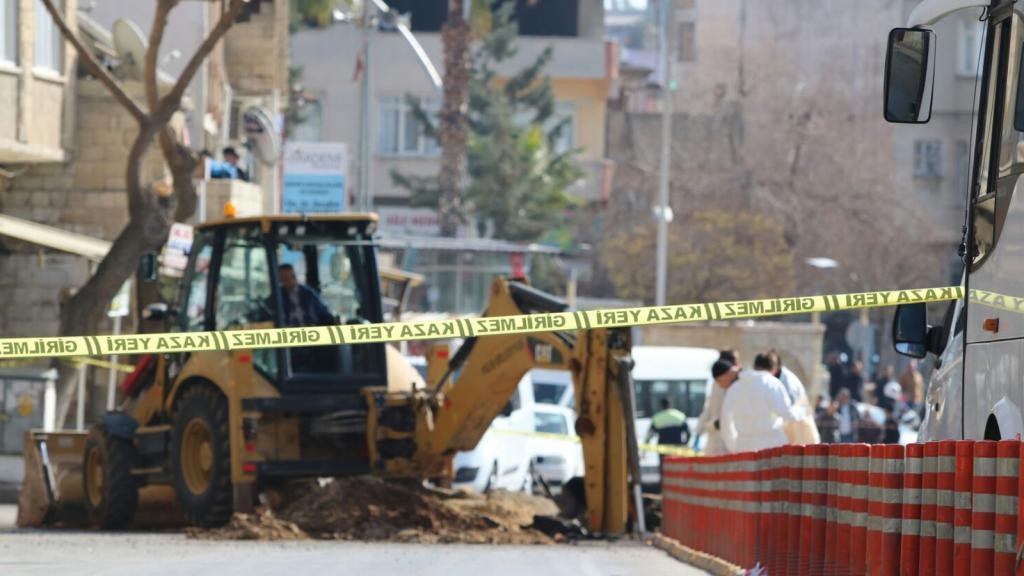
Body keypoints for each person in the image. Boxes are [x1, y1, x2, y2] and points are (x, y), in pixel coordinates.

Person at [716, 359, 804, 454]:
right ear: (773, 369)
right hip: (773, 446)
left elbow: (726, 423)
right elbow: (787, 414)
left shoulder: (733, 389)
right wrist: (802, 411)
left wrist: (733, 447)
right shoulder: (772, 383)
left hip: (743, 447)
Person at [755, 351, 820, 445]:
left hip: (800, 433)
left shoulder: (788, 382)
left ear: (774, 369)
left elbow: (789, 411)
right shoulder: (774, 381)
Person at [695, 349, 740, 455]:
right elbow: (709, 408)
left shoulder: (740, 385)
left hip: (732, 439)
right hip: (715, 438)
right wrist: (698, 432)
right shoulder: (716, 384)